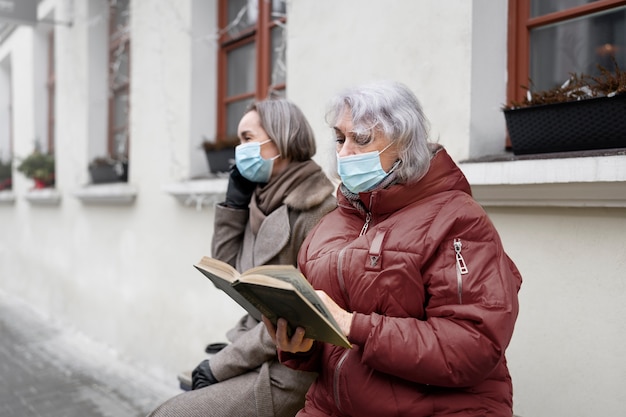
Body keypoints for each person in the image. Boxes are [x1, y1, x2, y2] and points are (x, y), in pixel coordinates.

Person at [263, 81, 523, 417]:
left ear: (404, 142)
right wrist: (298, 345)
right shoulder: (328, 227)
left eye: (362, 138)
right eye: (340, 139)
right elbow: (332, 353)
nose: (344, 153)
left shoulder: (457, 219)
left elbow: (473, 344)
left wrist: (352, 324)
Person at [147, 98, 337, 417]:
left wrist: (221, 365)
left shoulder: (319, 210)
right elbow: (229, 272)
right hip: (255, 348)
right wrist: (233, 206)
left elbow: (298, 317)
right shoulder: (260, 199)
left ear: (281, 140)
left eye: (247, 138)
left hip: (291, 367)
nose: (240, 149)